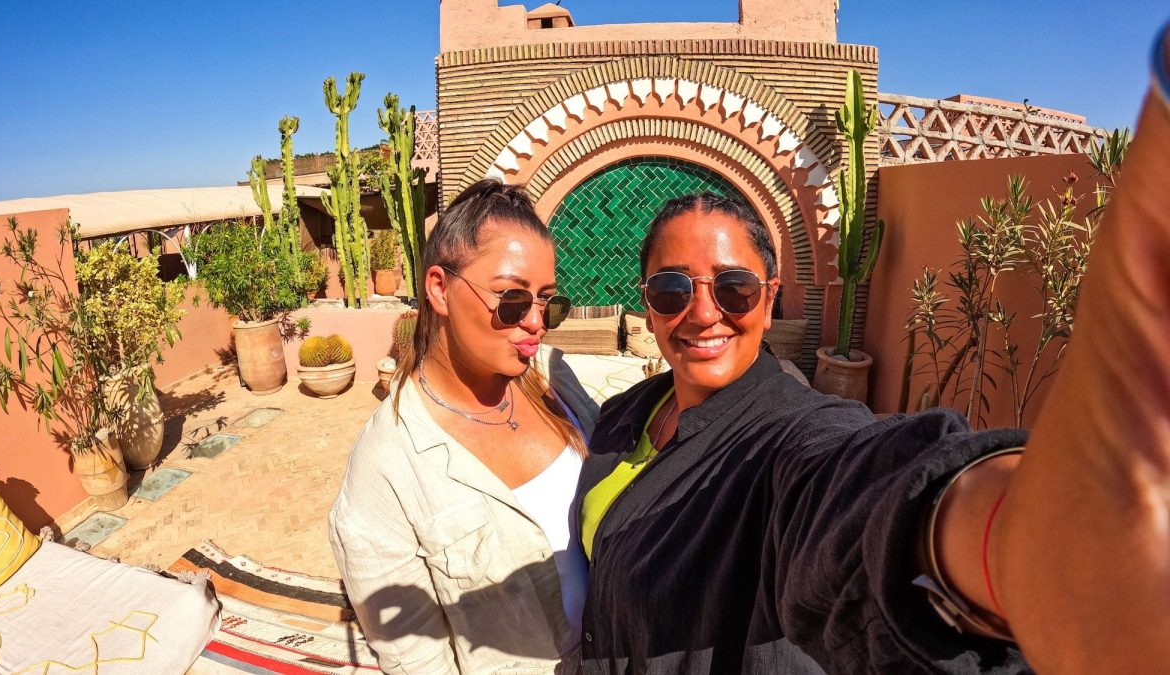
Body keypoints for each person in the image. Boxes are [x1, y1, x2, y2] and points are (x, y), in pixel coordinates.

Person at [575, 22, 1170, 674]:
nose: (703, 312)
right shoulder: (624, 414)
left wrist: (1012, 539)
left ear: (770, 297)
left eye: (735, 288)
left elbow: (854, 489)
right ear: (647, 300)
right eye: (671, 289)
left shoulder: (786, 436)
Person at [329, 179, 599, 674]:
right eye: (513, 299)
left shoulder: (553, 378)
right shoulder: (386, 471)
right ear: (439, 288)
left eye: (548, 302)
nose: (536, 322)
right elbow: (416, 658)